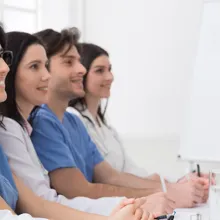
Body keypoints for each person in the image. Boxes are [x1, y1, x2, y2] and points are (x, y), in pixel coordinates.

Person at [30, 27, 206, 210]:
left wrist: (167, 188)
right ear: (44, 69)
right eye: (69, 62)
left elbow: (111, 176)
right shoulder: (43, 122)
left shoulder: (73, 122)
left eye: (79, 62)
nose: (81, 69)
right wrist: (165, 193)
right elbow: (80, 191)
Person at [0, 29, 152, 220]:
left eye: (46, 66)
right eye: (34, 66)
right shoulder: (18, 126)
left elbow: (34, 205)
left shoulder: (65, 121)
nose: (47, 75)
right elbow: (42, 203)